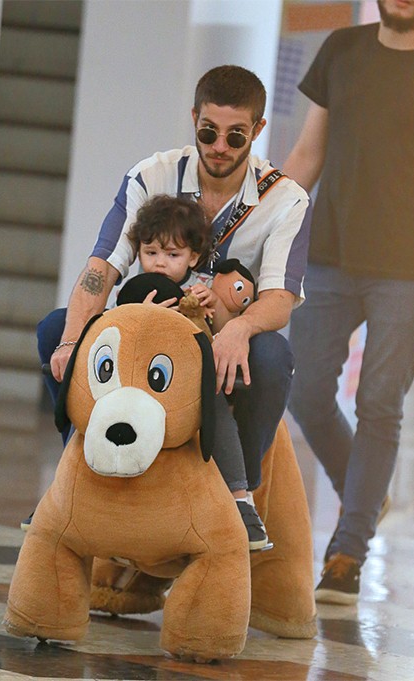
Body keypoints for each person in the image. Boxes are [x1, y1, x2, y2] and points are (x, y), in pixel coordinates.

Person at [37, 64, 311, 518]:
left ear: (258, 130)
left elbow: (280, 298)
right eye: (209, 132)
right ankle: (80, 476)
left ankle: (237, 498)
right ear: (194, 120)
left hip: (218, 335)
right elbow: (101, 268)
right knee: (54, 331)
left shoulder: (286, 200)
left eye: (236, 136)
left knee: (272, 357)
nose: (219, 147)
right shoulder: (153, 175)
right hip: (147, 326)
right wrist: (71, 338)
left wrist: (239, 329)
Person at [283, 0, 414, 605]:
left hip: (411, 268)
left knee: (379, 402)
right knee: (305, 388)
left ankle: (348, 550)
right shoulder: (340, 52)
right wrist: (262, 238)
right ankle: (364, 490)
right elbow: (305, 156)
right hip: (329, 253)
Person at [122, 194, 269, 550]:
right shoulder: (136, 289)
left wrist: (213, 306)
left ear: (193, 257)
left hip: (190, 382)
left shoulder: (202, 286)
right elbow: (119, 333)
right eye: (151, 253)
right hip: (143, 384)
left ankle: (239, 497)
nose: (159, 263)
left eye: (172, 256)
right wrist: (137, 315)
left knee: (214, 400)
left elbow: (222, 331)